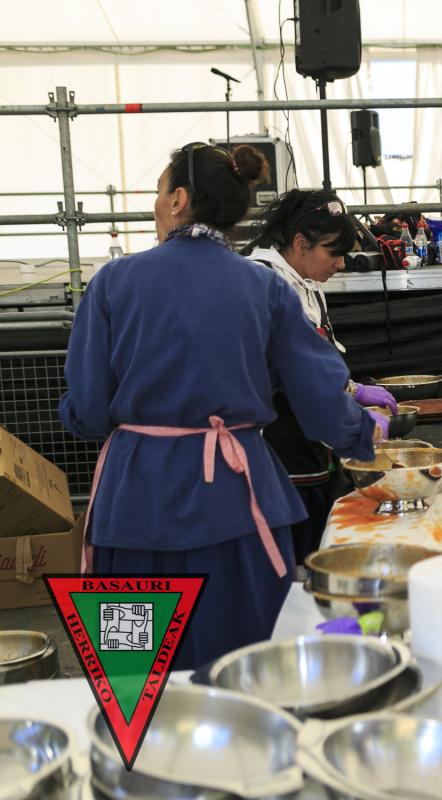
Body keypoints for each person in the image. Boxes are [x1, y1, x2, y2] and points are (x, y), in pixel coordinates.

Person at [59, 143, 383, 669]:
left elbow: (90, 409)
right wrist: (365, 431)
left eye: (159, 191)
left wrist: (92, 416)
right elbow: (321, 399)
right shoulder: (264, 286)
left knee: (132, 674)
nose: (156, 203)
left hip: (134, 507)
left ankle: (138, 724)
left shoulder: (113, 282)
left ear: (178, 199)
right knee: (245, 671)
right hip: (240, 505)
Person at [245, 189, 398, 564]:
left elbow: (313, 360)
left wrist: (351, 389)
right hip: (277, 455)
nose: (341, 265)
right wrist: (357, 424)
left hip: (310, 444)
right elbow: (292, 377)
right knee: (292, 562)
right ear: (300, 243)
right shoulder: (262, 283)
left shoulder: (306, 284)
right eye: (333, 253)